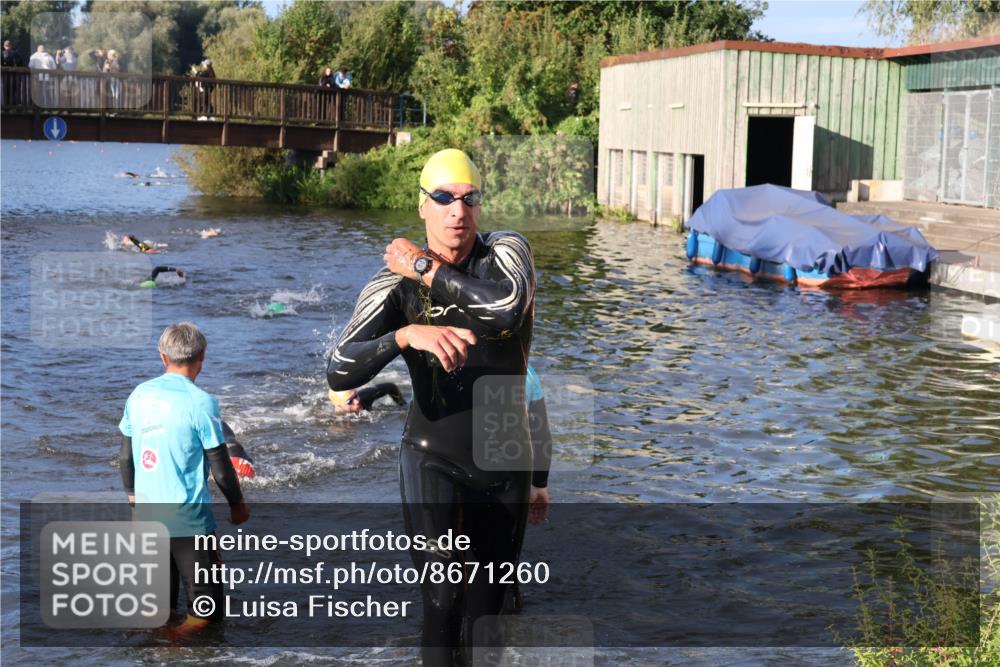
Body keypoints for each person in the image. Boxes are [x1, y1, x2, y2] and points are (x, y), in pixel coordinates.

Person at [327, 148, 540, 665]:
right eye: (443, 198)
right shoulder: (390, 284)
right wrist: (404, 334)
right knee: (443, 599)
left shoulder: (507, 254)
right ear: (422, 205)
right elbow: (338, 367)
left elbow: (506, 306)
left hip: (503, 456)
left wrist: (423, 268)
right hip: (431, 454)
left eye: (468, 199)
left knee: (488, 611)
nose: (457, 211)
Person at [119, 323, 250, 638]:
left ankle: (153, 645)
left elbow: (126, 457)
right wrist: (238, 506)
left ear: (162, 357)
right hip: (190, 523)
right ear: (202, 356)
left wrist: (134, 501)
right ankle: (172, 645)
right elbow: (220, 467)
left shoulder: (138, 395)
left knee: (159, 610)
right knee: (207, 614)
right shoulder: (201, 402)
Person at [328, 382, 406, 414]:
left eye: (355, 396)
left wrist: (402, 405)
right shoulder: (332, 420)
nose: (357, 401)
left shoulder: (365, 397)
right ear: (339, 405)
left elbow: (390, 387)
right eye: (350, 401)